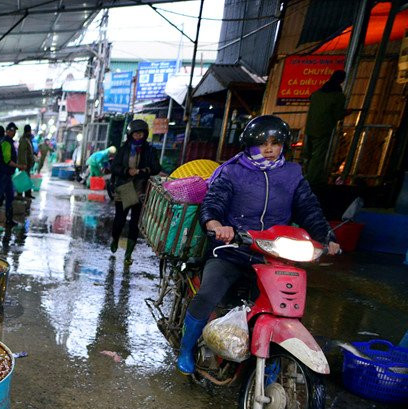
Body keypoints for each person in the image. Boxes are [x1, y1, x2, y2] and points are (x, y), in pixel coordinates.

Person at [176, 114, 341, 374]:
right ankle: (185, 348)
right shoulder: (232, 171)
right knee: (209, 294)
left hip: (272, 256)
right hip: (231, 251)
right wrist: (216, 225)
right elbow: (213, 203)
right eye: (262, 143)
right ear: (249, 145)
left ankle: (274, 354)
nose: (269, 148)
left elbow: (309, 209)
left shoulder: (292, 175)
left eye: (275, 143)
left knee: (284, 306)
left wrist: (327, 236)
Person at [109, 119, 160, 265]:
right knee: (120, 219)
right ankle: (115, 239)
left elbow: (156, 167)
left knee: (135, 223)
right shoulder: (124, 149)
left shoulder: (150, 150)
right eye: (136, 134)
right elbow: (114, 167)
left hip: (141, 189)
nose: (138, 136)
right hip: (124, 188)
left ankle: (128, 253)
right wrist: (127, 171)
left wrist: (143, 171)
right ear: (130, 135)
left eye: (141, 134)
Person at [301, 70, 347, 187]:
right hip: (323, 129)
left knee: (308, 154)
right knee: (318, 156)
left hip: (310, 127)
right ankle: (312, 180)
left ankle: (305, 175)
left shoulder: (317, 94)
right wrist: (346, 113)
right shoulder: (338, 96)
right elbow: (338, 115)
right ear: (342, 81)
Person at [17, 124, 36, 199]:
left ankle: (27, 194)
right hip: (24, 164)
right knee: (23, 179)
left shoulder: (27, 139)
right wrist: (23, 164)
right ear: (28, 131)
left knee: (26, 179)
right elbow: (23, 153)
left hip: (27, 164)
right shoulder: (24, 140)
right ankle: (20, 195)